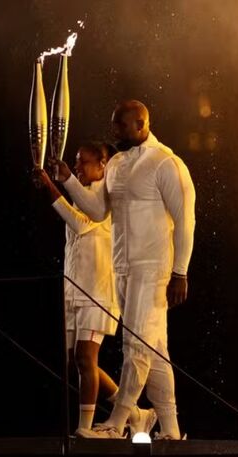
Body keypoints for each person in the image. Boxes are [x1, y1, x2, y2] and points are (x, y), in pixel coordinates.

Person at [53, 100, 196, 439]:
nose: (113, 132)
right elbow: (98, 210)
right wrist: (69, 180)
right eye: (113, 125)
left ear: (141, 124)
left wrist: (181, 272)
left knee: (136, 344)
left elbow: (185, 220)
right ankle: (172, 429)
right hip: (122, 268)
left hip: (153, 268)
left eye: (119, 125)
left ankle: (117, 423)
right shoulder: (116, 163)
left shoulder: (166, 164)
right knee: (155, 348)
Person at [34, 141, 157, 437]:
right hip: (75, 288)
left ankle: (84, 429)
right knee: (74, 361)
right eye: (76, 163)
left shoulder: (106, 197)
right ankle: (136, 413)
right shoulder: (81, 194)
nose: (77, 168)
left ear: (103, 165)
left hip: (98, 293)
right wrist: (58, 183)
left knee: (85, 359)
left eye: (83, 163)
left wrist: (53, 185)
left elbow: (79, 224)